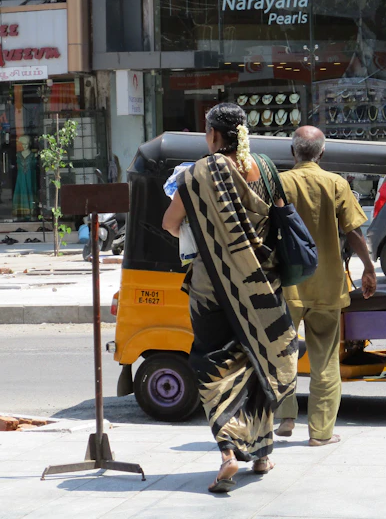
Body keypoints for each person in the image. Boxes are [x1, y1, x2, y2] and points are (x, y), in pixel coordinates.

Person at [162, 103, 298, 493]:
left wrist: (206, 236)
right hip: (262, 285)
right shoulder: (267, 169)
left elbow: (171, 224)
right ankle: (261, 454)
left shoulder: (198, 174)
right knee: (258, 362)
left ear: (212, 135)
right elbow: (281, 218)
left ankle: (227, 454)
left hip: (211, 287)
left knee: (215, 364)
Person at [275, 126, 377, 446]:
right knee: (325, 360)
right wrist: (370, 268)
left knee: (281, 353)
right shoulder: (335, 183)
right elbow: (354, 233)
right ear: (322, 153)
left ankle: (286, 415)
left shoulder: (277, 182)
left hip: (286, 286)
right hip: (326, 285)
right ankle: (320, 433)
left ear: (293, 152)